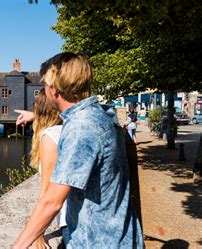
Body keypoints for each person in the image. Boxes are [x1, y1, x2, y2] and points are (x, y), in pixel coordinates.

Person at [13, 52, 143, 248]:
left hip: (97, 240)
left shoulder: (81, 128)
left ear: (54, 90)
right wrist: (34, 116)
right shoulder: (103, 115)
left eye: (44, 85)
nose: (43, 90)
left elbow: (52, 201)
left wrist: (18, 245)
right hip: (120, 233)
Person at [17, 89, 66, 248]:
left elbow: (48, 196)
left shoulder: (50, 137)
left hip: (72, 223)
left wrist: (38, 233)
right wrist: (35, 114)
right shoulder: (68, 129)